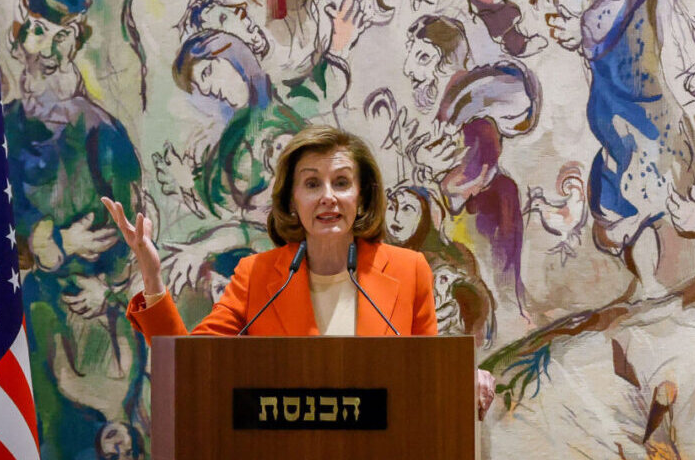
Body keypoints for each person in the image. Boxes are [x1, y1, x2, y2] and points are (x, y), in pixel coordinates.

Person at [105, 124, 497, 415]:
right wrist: (153, 277)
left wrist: (462, 379)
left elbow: (426, 374)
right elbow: (188, 366)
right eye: (312, 184)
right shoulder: (257, 276)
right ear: (292, 200)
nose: (327, 196)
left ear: (361, 199)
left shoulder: (408, 270)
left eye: (341, 182)